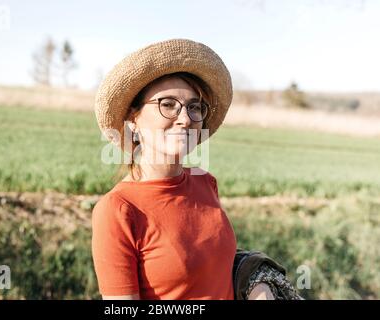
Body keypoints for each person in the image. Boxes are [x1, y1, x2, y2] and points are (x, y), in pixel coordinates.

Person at [92, 39, 300, 300]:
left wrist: (258, 286)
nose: (185, 118)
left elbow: (210, 263)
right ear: (133, 119)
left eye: (194, 107)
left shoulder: (205, 183)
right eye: (167, 104)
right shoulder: (118, 210)